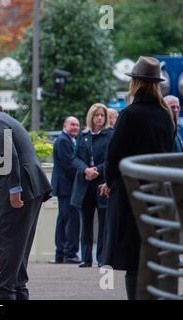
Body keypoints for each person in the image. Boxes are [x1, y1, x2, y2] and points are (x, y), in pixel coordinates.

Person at [100, 56, 175, 300]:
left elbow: (114, 154)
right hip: (159, 191)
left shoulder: (130, 114)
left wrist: (109, 182)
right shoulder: (165, 115)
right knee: (153, 251)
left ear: (136, 83)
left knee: (132, 256)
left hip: (131, 192)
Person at [0, 93, 52, 300]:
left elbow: (8, 157)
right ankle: (18, 290)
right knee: (20, 243)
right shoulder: (4, 120)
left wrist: (14, 191)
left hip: (20, 189)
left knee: (10, 243)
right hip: (32, 186)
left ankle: (4, 293)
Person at [71, 104, 113, 268]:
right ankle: (85, 258)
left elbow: (111, 158)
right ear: (91, 117)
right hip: (84, 183)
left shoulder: (109, 135)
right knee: (86, 222)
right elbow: (74, 158)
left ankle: (102, 258)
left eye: (102, 115)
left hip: (102, 183)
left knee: (103, 222)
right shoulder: (83, 135)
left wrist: (97, 170)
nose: (100, 118)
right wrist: (85, 170)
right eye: (97, 115)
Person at [50, 117, 81, 264]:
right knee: (70, 220)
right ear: (65, 125)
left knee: (64, 219)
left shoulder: (68, 140)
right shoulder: (63, 140)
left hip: (65, 187)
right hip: (66, 187)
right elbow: (68, 164)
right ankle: (68, 253)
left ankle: (62, 253)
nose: (75, 127)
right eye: (72, 124)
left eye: (77, 125)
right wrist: (84, 173)